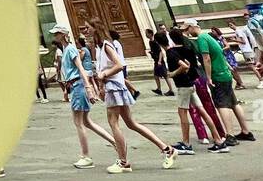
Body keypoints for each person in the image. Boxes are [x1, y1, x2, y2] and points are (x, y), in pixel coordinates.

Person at [92, 26, 176, 172]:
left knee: (114, 123)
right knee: (131, 123)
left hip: (114, 88)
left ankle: (123, 162)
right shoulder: (100, 46)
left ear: (96, 29)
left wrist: (104, 75)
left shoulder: (106, 45)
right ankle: (167, 149)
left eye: (87, 28)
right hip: (114, 86)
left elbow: (119, 65)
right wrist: (100, 85)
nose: (85, 31)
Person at [51, 23, 115, 168]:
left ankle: (86, 156)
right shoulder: (67, 49)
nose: (55, 36)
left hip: (78, 85)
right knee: (85, 121)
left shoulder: (71, 49)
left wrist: (88, 87)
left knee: (79, 122)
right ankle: (114, 142)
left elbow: (80, 68)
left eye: (57, 33)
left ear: (63, 34)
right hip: (74, 86)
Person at [166, 27, 232, 152]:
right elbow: (200, 60)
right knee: (206, 109)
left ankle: (190, 142)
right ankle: (219, 138)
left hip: (185, 83)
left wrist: (173, 74)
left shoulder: (173, 52)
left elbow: (184, 66)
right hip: (197, 78)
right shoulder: (190, 47)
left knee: (188, 112)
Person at [186, 20, 255, 141]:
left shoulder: (202, 39)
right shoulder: (209, 36)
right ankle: (245, 131)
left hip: (217, 74)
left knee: (222, 105)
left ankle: (230, 135)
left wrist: (208, 77)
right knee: (234, 103)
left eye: (187, 29)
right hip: (225, 73)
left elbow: (206, 58)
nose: (187, 32)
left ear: (192, 27)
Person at [210, 26, 244, 90]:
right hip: (223, 55)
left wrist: (221, 49)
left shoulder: (221, 38)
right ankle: (238, 83)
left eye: (213, 31)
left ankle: (240, 83)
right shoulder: (213, 39)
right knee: (230, 70)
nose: (212, 32)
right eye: (212, 31)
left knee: (233, 70)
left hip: (227, 55)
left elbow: (228, 46)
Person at [147, 24, 175, 96]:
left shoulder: (155, 42)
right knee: (156, 76)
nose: (146, 35)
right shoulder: (150, 42)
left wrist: (159, 60)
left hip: (159, 61)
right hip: (156, 60)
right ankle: (159, 89)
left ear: (150, 34)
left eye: (147, 33)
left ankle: (171, 90)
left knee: (165, 76)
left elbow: (160, 51)